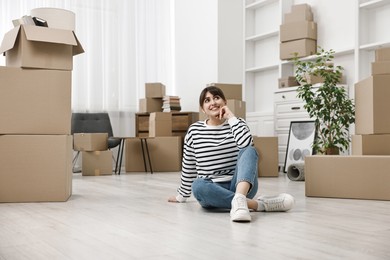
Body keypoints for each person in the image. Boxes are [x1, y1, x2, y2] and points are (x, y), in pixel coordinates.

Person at [168, 86, 295, 222]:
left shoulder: (237, 123)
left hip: (241, 185)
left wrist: (231, 118)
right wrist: (181, 196)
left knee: (250, 150)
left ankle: (240, 198)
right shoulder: (194, 131)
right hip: (211, 189)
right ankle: (258, 205)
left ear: (225, 102)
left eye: (216, 98)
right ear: (202, 108)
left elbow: (247, 146)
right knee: (198, 186)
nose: (213, 103)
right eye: (207, 100)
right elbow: (189, 165)